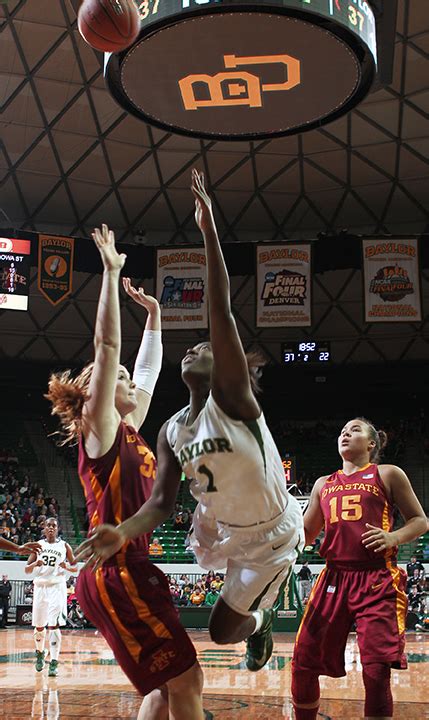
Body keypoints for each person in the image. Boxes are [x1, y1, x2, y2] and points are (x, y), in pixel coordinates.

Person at [76, 172, 304, 673]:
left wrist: (209, 233)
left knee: (225, 631)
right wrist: (122, 530)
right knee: (215, 633)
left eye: (205, 348)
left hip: (270, 532)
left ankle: (262, 620)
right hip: (222, 524)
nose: (196, 349)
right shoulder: (170, 429)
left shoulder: (235, 399)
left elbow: (218, 308)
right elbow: (160, 503)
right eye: (192, 348)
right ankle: (255, 618)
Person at [46, 224, 204, 720]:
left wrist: (155, 316)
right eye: (119, 378)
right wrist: (111, 275)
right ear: (95, 395)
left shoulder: (129, 427)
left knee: (165, 687)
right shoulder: (101, 431)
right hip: (115, 571)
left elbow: (149, 371)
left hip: (127, 566)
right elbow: (106, 347)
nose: (130, 381)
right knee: (186, 679)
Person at [291, 417, 427, 720]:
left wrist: (393, 536)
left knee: (377, 669)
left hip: (377, 577)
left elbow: (420, 520)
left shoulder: (388, 474)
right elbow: (306, 534)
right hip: (333, 576)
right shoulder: (322, 484)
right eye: (341, 431)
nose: (345, 433)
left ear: (371, 444)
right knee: (303, 662)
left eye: (354, 430)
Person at [25, 517, 77, 677]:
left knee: (53, 625)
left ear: (58, 528)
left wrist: (67, 566)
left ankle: (54, 662)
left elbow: (75, 567)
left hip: (57, 587)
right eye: (48, 525)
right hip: (41, 587)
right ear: (44, 528)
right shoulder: (38, 546)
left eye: (54, 526)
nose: (51, 528)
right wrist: (35, 565)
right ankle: (40, 653)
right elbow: (27, 570)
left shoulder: (64, 546)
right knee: (39, 626)